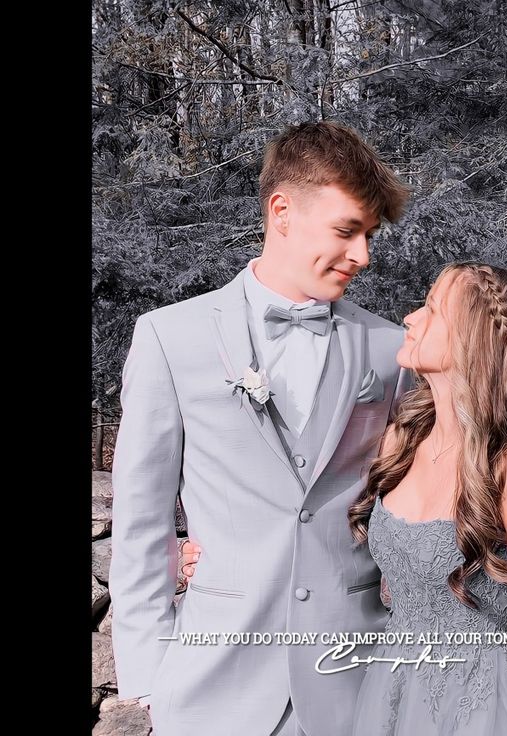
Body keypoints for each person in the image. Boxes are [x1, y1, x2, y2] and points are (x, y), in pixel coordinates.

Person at [182, 261, 507, 736]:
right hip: (389, 691)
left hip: (477, 706)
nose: (411, 317)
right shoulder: (403, 438)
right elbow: (305, 509)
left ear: (478, 340)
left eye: (433, 310)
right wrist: (202, 552)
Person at [108, 121, 412, 736]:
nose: (363, 256)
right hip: (209, 687)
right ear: (282, 211)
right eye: (347, 230)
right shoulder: (171, 337)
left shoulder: (391, 350)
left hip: (354, 679)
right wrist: (147, 676)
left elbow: (406, 502)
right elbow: (141, 525)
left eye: (369, 236)